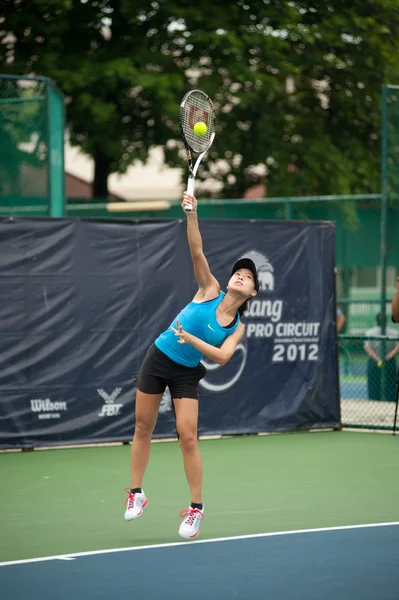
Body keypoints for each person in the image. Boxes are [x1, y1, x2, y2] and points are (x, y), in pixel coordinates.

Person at [124, 191, 259, 539]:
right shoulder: (209, 287)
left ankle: (196, 510)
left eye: (248, 277)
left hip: (186, 370)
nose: (241, 276)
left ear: (254, 292)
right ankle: (136, 494)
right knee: (143, 426)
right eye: (239, 272)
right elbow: (196, 251)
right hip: (159, 357)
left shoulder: (237, 326)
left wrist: (192, 340)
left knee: (188, 437)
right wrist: (192, 214)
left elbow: (224, 357)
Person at [364, 313, 399, 401]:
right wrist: (390, 355)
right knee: (391, 385)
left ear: (376, 321)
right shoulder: (394, 333)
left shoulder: (369, 332)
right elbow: (398, 346)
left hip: (374, 362)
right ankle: (390, 402)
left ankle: (374, 402)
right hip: (389, 361)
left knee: (373, 386)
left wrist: (377, 358)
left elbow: (367, 348)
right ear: (387, 321)